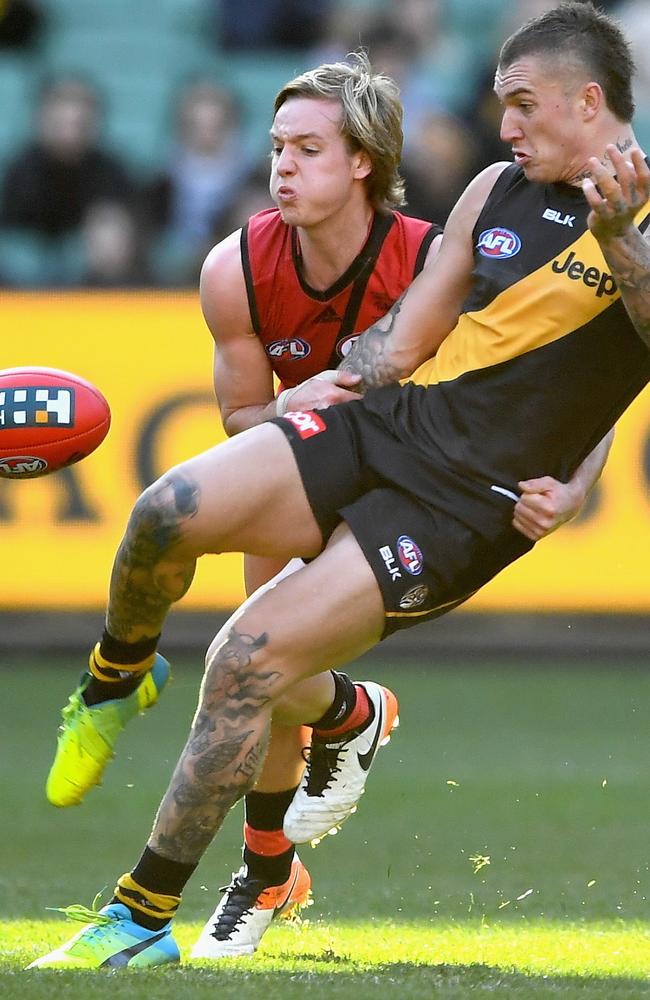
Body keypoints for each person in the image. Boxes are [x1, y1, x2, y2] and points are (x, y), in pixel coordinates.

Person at [29, 0, 649, 968]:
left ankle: (139, 918)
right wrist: (323, 389)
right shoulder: (492, 189)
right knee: (163, 515)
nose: (506, 126)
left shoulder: (642, 216)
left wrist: (618, 245)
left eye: (522, 106)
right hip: (383, 424)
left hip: (459, 508)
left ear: (586, 100)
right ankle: (118, 673)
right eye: (500, 106)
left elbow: (625, 363)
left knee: (244, 660)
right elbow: (403, 339)